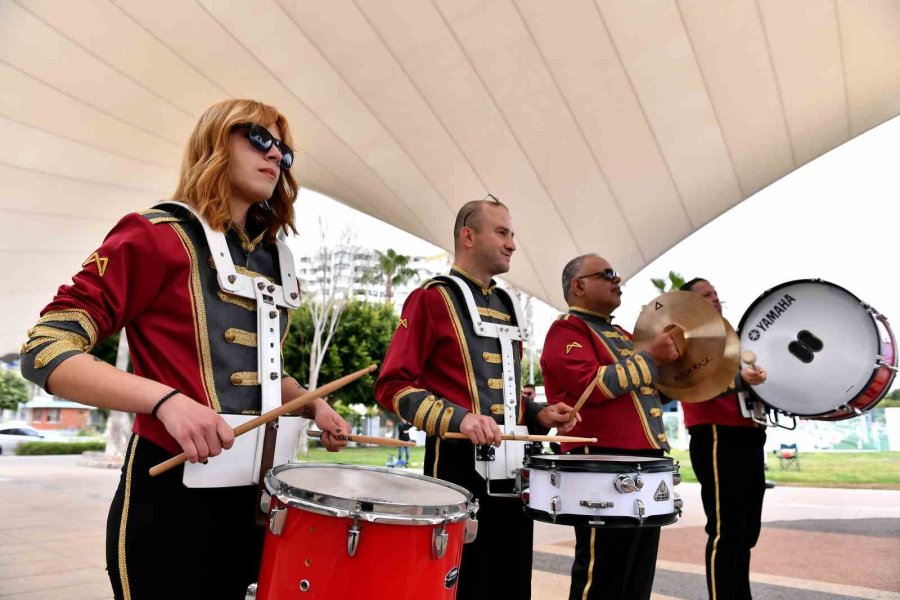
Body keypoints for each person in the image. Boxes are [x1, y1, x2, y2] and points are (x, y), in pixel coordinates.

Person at [19, 99, 350, 600]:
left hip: (259, 506)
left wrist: (310, 403)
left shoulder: (274, 260)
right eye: (259, 138)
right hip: (169, 504)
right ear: (215, 140)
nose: (275, 155)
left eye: (284, 151)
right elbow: (45, 347)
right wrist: (166, 401)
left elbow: (262, 371)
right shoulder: (154, 235)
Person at [374, 195, 579, 600]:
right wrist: (460, 419)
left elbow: (503, 395)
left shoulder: (506, 303)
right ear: (468, 236)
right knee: (463, 583)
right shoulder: (431, 298)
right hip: (455, 468)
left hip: (513, 469)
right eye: (502, 233)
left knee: (511, 583)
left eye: (512, 234)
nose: (512, 244)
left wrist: (539, 414)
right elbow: (391, 386)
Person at [540, 253, 680, 600]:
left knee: (637, 577)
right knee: (602, 577)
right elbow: (593, 385)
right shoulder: (567, 329)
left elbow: (649, 391)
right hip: (601, 462)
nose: (617, 280)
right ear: (578, 286)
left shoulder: (623, 335)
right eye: (607, 274)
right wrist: (651, 358)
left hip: (644, 463)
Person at [679, 277, 768, 600]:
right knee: (726, 530)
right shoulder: (685, 338)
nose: (715, 298)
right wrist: (741, 380)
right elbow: (697, 381)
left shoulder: (732, 336)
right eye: (706, 295)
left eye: (715, 293)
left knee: (745, 531)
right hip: (716, 435)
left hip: (749, 432)